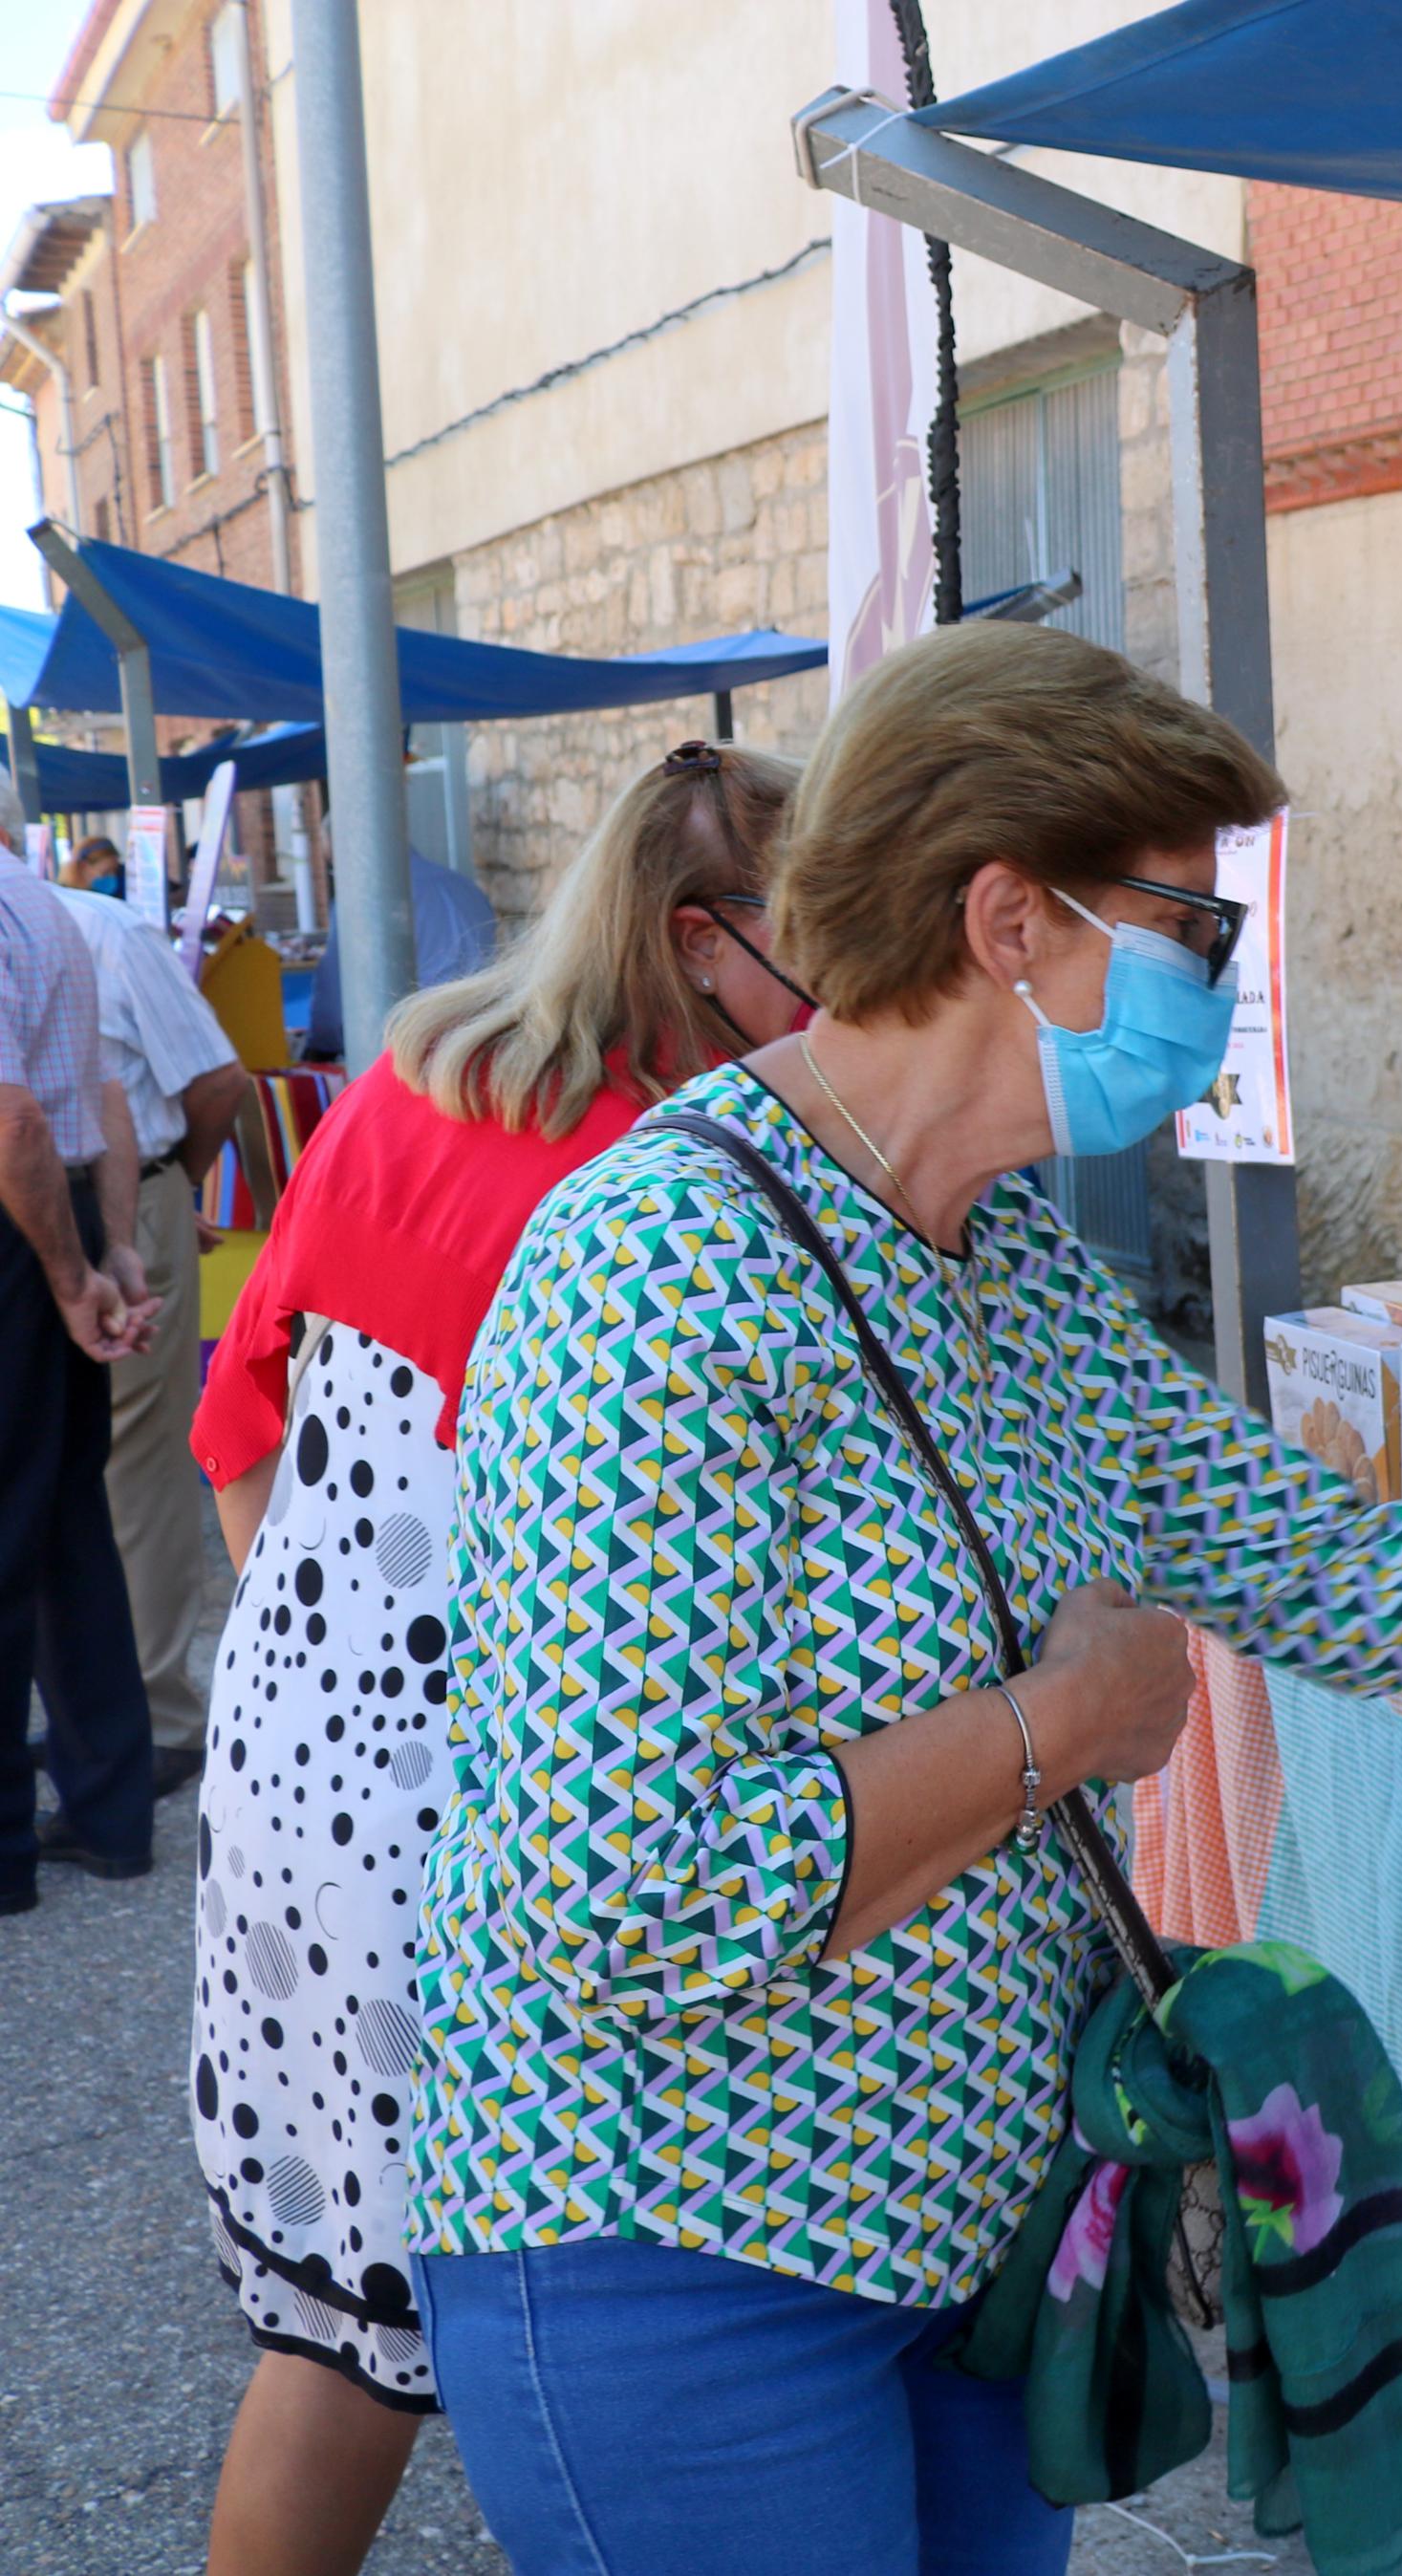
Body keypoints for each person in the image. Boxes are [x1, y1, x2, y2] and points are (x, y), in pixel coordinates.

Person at [400, 623, 1402, 2576]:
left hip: (967, 2243)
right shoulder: (656, 1269)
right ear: (1008, 917)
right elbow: (624, 1893)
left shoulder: (994, 1246)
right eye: (1189, 928)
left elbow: (1328, 1565)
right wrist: (1053, 1731)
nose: (1225, 986)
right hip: (679, 2258)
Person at [184, 743, 812, 2576]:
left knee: (334, 2332)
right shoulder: (675, 1181)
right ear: (705, 945)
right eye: (820, 929)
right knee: (513, 2343)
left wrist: (328, 1683)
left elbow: (242, 1424)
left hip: (295, 1764)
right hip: (472, 1822)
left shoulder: (410, 1074)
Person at [55, 875, 254, 1799]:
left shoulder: (107, 929)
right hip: (75, 1196)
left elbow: (218, 1081)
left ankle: (157, 1714)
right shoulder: (84, 928)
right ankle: (99, 1713)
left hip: (127, 1194)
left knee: (135, 1465)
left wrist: (178, 1185)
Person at [0, 857, 162, 1916]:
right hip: (45, 1214)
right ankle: (109, 1810)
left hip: (18, 1226)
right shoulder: (37, 898)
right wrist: (107, 1248)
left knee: (23, 1528)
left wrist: (73, 1275)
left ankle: (7, 1846)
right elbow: (94, 1094)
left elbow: (12, 1120)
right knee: (63, 1526)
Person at [302, 846, 498, 1061]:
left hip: (414, 1046)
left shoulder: (362, 897)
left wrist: (320, 1048)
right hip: (479, 1038)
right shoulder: (462, 885)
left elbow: (334, 984)